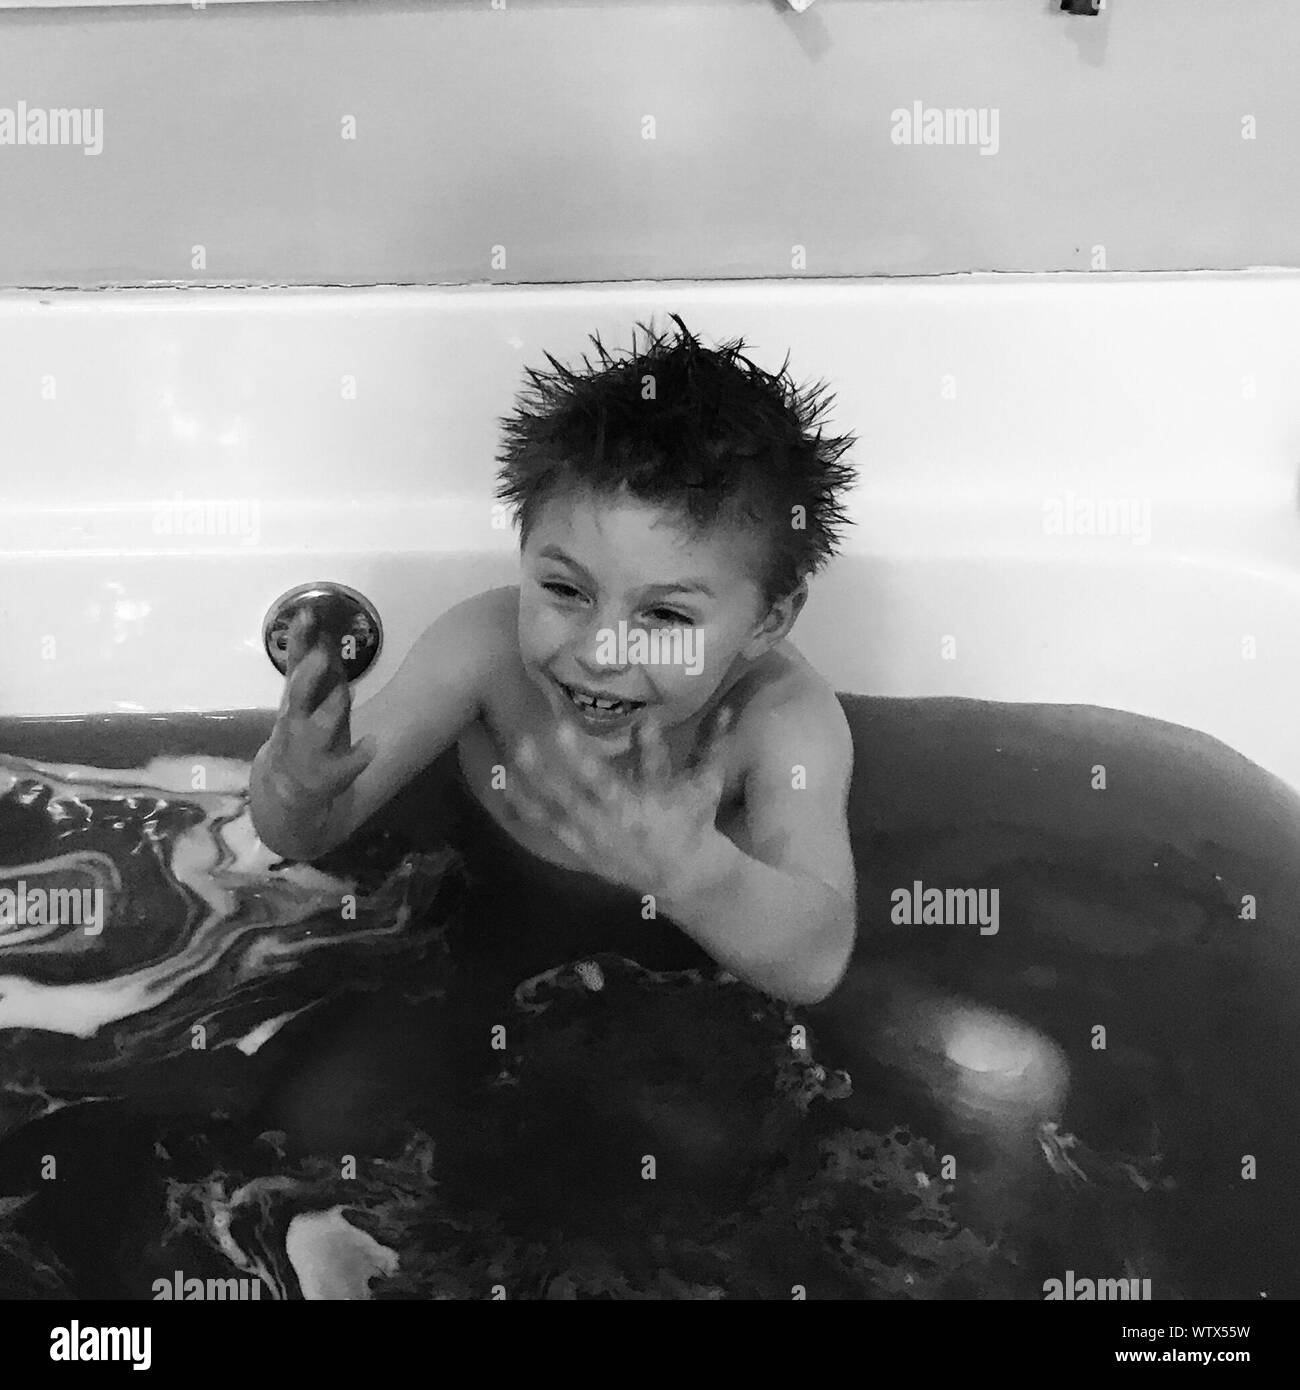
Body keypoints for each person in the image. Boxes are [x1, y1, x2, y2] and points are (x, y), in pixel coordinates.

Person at [249, 313, 862, 1165]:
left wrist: (690, 872)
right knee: (320, 1123)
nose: (599, 651)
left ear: (768, 620)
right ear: (523, 552)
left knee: (707, 1155)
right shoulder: (485, 653)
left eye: (665, 615)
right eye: (566, 590)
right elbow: (304, 835)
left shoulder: (782, 723)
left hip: (684, 979)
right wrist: (294, 786)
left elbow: (817, 958)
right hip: (479, 938)